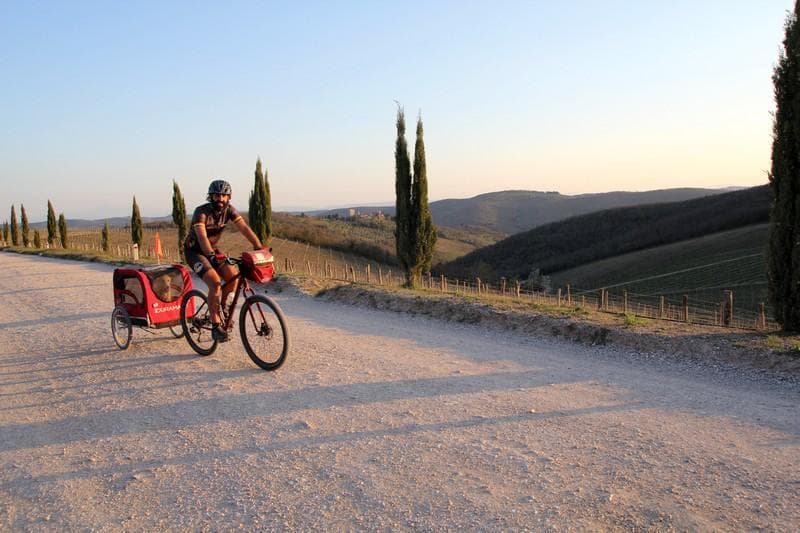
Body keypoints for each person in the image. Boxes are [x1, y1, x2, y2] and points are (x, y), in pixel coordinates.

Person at [184, 179, 264, 341]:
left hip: (213, 250)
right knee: (214, 282)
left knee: (232, 277)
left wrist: (259, 247)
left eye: (223, 196)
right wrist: (211, 255)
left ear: (229, 197)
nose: (220, 199)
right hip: (195, 252)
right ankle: (215, 326)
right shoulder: (201, 212)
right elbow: (202, 237)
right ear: (210, 197)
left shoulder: (230, 211)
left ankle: (221, 308)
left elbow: (244, 228)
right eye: (216, 196)